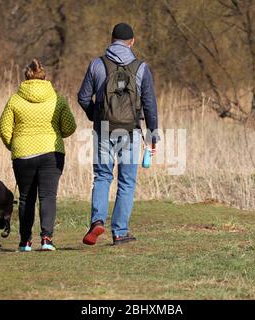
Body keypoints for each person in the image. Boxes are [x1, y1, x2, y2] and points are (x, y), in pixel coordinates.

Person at [77, 23, 159, 246]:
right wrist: (152, 137)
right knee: (126, 182)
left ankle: (97, 221)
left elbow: (83, 97)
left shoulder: (97, 64)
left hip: (103, 129)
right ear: (132, 41)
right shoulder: (141, 68)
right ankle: (120, 232)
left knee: (102, 177)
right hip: (131, 131)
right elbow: (150, 105)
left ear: (111, 39)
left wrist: (97, 116)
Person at [0, 59, 76, 252]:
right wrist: (57, 134)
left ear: (26, 77)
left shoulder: (15, 99)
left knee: (26, 198)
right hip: (52, 152)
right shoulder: (57, 98)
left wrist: (15, 145)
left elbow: (4, 129)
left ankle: (25, 242)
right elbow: (70, 126)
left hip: (23, 155)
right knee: (48, 196)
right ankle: (47, 240)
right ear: (45, 77)